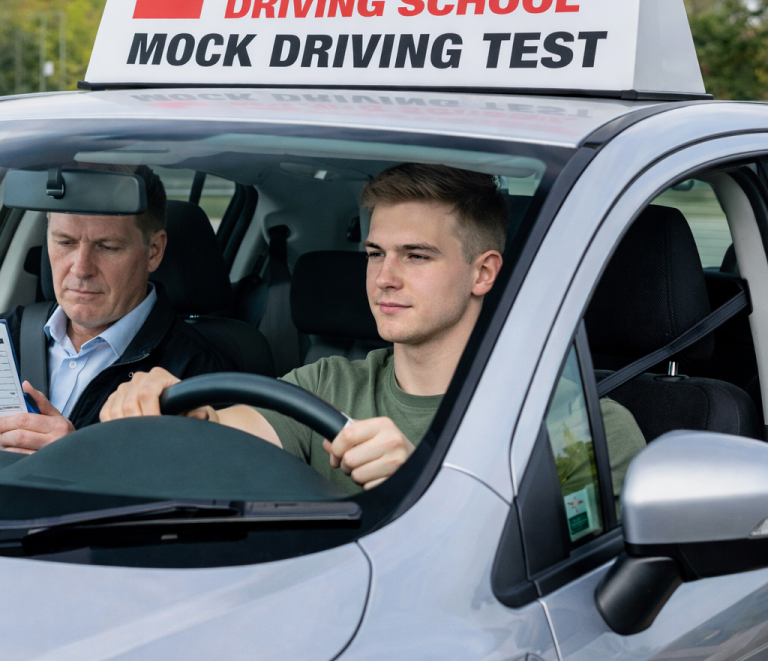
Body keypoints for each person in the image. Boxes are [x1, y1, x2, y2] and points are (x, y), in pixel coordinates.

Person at [100, 163, 645, 495]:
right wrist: (174, 410)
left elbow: (592, 607)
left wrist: (425, 488)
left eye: (416, 256)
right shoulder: (327, 386)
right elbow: (221, 434)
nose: (385, 278)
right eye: (375, 253)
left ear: (483, 272)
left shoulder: (578, 427)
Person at [0, 165, 229, 454]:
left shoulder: (196, 374)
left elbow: (197, 490)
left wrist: (77, 460)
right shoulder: (8, 335)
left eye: (107, 247)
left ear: (154, 251)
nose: (81, 268)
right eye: (65, 242)